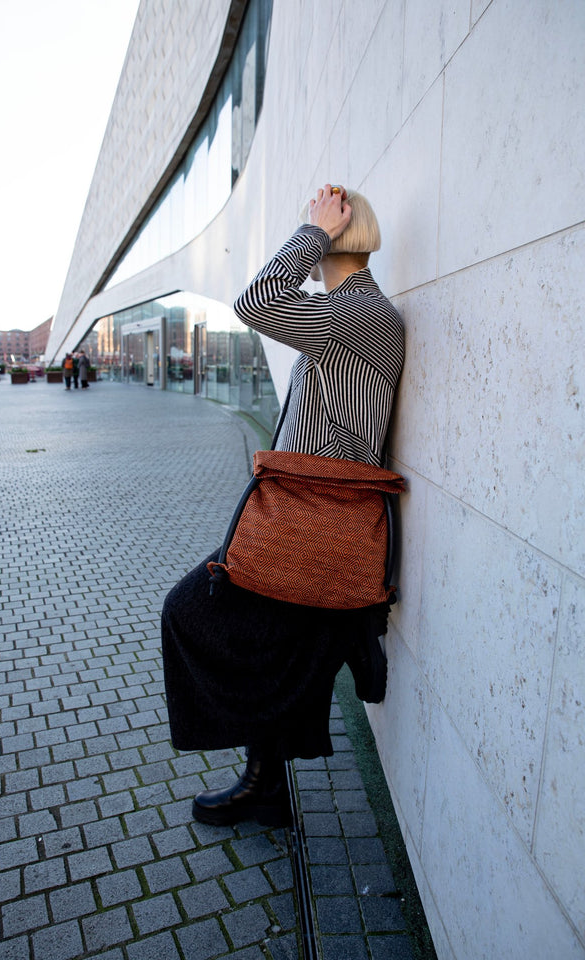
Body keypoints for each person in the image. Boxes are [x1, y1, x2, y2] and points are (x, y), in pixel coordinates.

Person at [161, 184, 405, 828]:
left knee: (190, 610)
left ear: (338, 232)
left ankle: (265, 776)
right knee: (276, 647)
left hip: (314, 521)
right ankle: (264, 781)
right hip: (305, 515)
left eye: (319, 219)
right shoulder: (345, 313)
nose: (308, 223)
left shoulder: (359, 315)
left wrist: (311, 233)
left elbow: (255, 302)